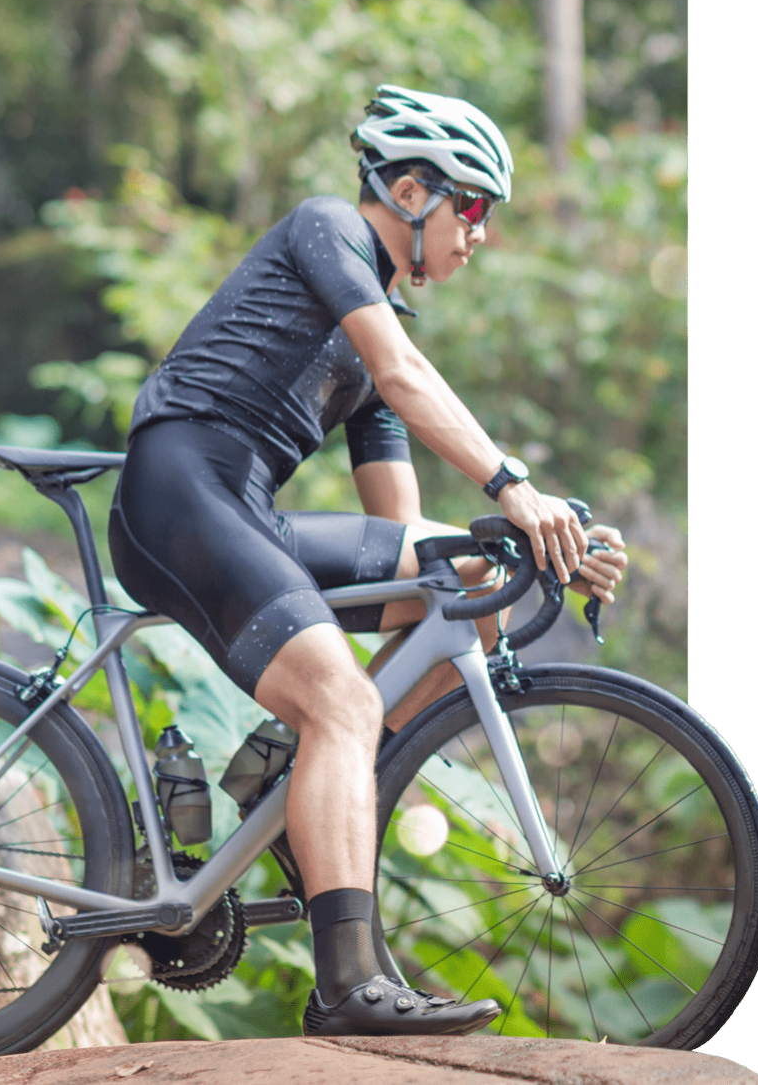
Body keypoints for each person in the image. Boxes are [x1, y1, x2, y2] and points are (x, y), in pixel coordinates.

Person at [107, 85, 628, 1038]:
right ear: (413, 189)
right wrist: (515, 486)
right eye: (473, 207)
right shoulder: (329, 231)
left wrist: (544, 551)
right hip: (178, 491)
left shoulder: (372, 328)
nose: (480, 235)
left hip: (242, 510)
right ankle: (347, 987)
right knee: (345, 701)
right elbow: (403, 375)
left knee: (465, 590)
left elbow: (413, 552)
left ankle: (286, 769)